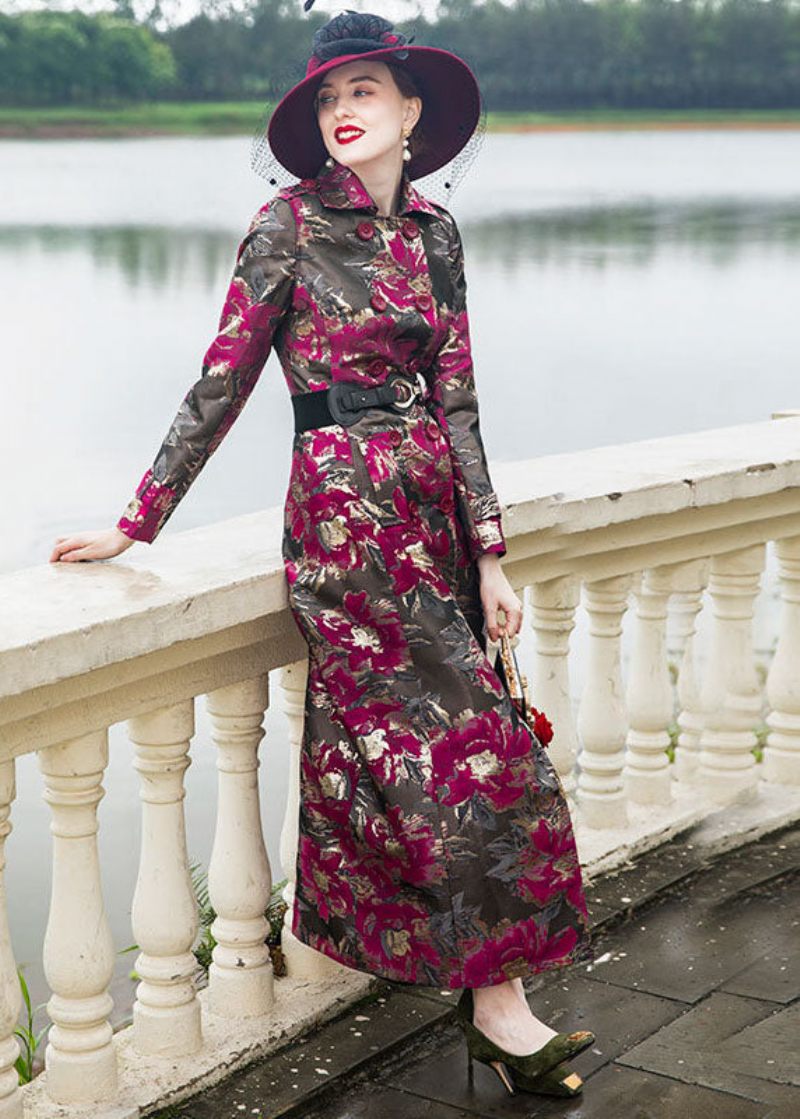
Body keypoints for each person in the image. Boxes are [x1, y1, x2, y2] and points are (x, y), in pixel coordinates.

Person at [50, 8, 594, 1098]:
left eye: (363, 90)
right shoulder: (287, 225)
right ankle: (499, 1008)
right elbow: (222, 379)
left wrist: (489, 554)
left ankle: (494, 1004)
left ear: (411, 109)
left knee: (486, 759)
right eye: (328, 97)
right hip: (346, 530)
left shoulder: (435, 235)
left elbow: (458, 397)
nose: (343, 110)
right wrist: (138, 521)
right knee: (458, 761)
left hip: (433, 525)